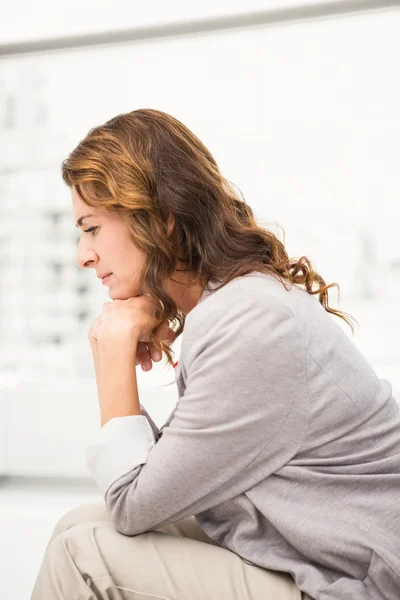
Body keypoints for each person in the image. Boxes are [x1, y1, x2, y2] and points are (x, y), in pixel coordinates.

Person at [31, 109, 400, 600]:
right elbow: (165, 483)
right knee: (78, 525)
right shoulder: (233, 304)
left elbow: (134, 503)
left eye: (92, 228)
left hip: (359, 586)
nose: (82, 254)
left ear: (159, 222)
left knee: (82, 557)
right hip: (310, 553)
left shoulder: (248, 321)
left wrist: (112, 350)